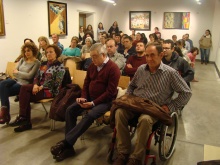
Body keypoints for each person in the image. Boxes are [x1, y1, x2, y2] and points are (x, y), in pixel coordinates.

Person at [113, 42, 192, 165]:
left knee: (145, 120)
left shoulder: (170, 73)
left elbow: (186, 93)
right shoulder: (141, 69)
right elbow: (132, 85)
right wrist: (128, 96)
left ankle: (136, 157)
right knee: (119, 112)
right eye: (147, 55)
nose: (149, 59)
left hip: (153, 109)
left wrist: (170, 107)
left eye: (153, 55)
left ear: (161, 55)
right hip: (136, 103)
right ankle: (123, 152)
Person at [50, 43, 121, 162]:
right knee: (70, 110)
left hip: (105, 101)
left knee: (91, 115)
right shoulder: (93, 66)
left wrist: (93, 103)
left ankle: (66, 143)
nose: (92, 59)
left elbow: (110, 92)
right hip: (89, 98)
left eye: (94, 56)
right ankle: (69, 146)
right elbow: (86, 83)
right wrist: (83, 97)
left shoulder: (113, 68)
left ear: (103, 55)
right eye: (91, 57)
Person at [8, 44, 66, 132]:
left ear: (56, 53)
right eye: (47, 52)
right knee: (24, 90)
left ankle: (24, 120)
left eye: (51, 52)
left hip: (49, 90)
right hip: (39, 87)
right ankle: (24, 119)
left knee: (24, 97)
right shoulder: (43, 64)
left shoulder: (60, 67)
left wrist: (41, 87)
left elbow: (56, 83)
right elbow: (36, 77)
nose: (49, 54)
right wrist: (35, 85)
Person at [0, 43, 40, 125]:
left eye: (28, 51)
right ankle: (5, 112)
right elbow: (14, 72)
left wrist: (18, 72)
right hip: (15, 80)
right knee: (2, 84)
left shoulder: (37, 62)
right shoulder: (22, 60)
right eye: (25, 51)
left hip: (23, 84)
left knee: (4, 91)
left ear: (33, 51)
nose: (26, 53)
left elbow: (30, 76)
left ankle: (5, 114)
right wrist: (21, 73)